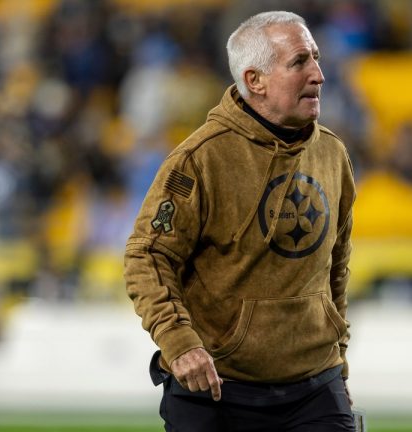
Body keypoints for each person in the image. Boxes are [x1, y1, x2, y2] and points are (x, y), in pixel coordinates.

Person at [124, 10, 356, 432]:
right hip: (216, 391)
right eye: (299, 61)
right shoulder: (199, 160)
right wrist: (179, 343)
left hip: (315, 388)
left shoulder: (333, 154)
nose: (319, 74)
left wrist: (338, 357)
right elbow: (147, 257)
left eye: (317, 58)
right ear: (255, 81)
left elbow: (335, 266)